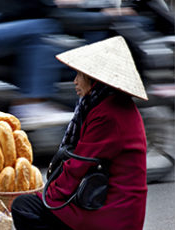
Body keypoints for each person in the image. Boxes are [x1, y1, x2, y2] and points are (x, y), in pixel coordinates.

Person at [11, 36, 148, 230]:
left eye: (79, 75)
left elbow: (79, 164)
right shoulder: (107, 104)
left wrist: (46, 194)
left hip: (112, 214)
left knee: (24, 207)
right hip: (107, 204)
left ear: (94, 79)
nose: (75, 82)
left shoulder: (108, 114)